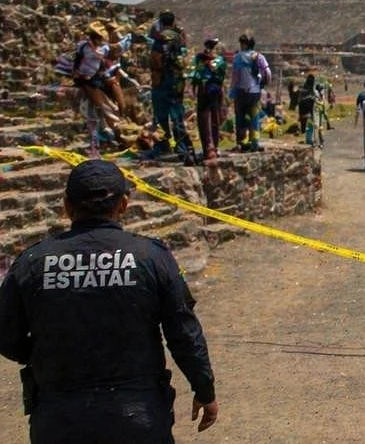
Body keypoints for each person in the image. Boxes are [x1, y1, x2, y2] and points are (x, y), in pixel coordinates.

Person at [0, 160, 219, 442]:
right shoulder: (150, 257)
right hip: (138, 416)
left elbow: (5, 334)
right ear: (124, 205)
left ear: (66, 206)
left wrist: (44, 351)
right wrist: (204, 389)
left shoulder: (32, 262)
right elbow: (184, 334)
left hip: (60, 418)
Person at [148, 13, 197, 164]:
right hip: (178, 82)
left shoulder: (160, 38)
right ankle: (182, 146)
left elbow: (156, 60)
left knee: (161, 113)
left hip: (163, 81)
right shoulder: (180, 37)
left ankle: (164, 145)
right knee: (177, 113)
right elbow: (184, 59)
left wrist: (158, 70)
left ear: (161, 23)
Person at [230, 34, 271, 153]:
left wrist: (232, 91)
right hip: (255, 92)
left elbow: (235, 77)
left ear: (244, 44)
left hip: (241, 92)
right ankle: (255, 143)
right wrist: (262, 84)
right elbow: (268, 73)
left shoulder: (237, 57)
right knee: (254, 117)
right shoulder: (259, 57)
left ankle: (242, 143)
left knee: (240, 117)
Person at [188, 37, 226, 161]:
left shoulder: (211, 60)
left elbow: (214, 70)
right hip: (207, 92)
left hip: (211, 92)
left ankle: (211, 147)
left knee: (211, 119)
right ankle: (210, 148)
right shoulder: (202, 59)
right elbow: (194, 74)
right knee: (208, 120)